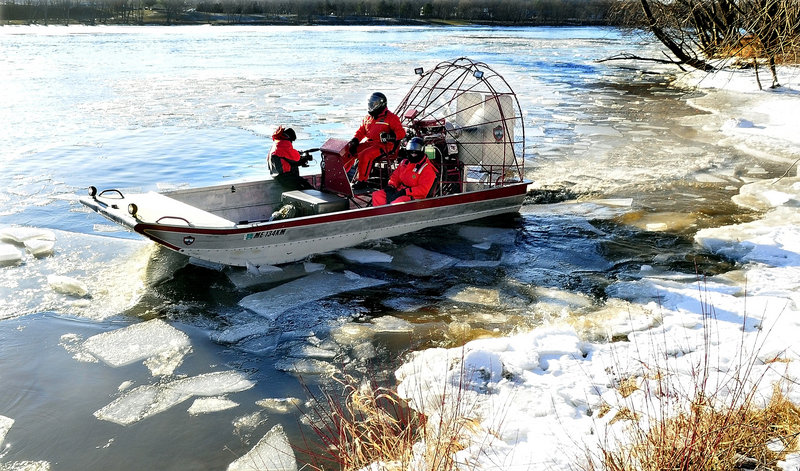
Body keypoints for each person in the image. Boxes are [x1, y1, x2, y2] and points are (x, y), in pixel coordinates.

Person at [346, 92, 406, 190]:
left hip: (385, 146)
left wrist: (389, 136)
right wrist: (355, 140)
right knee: (349, 151)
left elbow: (401, 133)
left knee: (365, 155)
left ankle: (362, 181)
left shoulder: (391, 118)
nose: (371, 106)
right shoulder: (368, 118)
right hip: (371, 143)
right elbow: (361, 131)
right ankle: (344, 175)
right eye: (370, 103)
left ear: (380, 104)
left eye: (373, 104)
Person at [371, 137, 437, 206]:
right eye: (411, 150)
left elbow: (423, 190)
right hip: (399, 190)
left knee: (396, 204)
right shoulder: (404, 163)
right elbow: (395, 176)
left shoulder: (427, 168)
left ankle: (392, 215)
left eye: (416, 150)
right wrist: (391, 187)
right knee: (377, 195)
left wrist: (405, 192)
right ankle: (380, 215)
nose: (413, 153)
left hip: (414, 196)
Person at [268, 125, 313, 192]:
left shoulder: (277, 143)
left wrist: (300, 155)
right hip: (285, 177)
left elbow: (287, 157)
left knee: (301, 182)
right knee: (308, 188)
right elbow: (296, 159)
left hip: (277, 175)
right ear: (290, 138)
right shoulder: (284, 144)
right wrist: (305, 158)